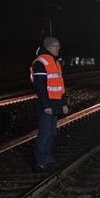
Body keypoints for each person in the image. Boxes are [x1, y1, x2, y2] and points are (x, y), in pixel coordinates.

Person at [30, 37, 68, 172]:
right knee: (45, 133)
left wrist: (63, 102)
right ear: (49, 47)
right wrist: (46, 106)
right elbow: (40, 86)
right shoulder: (40, 62)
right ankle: (41, 163)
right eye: (56, 46)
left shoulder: (55, 62)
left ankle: (48, 160)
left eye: (58, 46)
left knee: (51, 132)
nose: (58, 48)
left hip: (55, 102)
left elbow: (60, 85)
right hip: (46, 104)